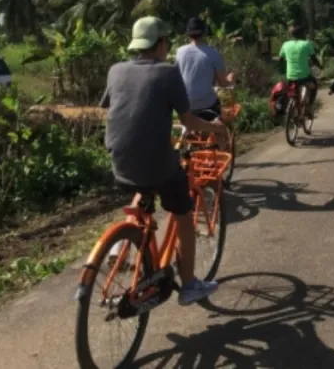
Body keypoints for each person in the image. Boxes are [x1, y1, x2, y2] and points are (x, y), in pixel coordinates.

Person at [100, 16, 227, 306]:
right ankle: (191, 285)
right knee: (183, 212)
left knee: (142, 187)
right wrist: (217, 129)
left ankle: (123, 243)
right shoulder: (168, 73)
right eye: (166, 40)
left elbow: (116, 106)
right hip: (158, 163)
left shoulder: (116, 70)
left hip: (119, 160)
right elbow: (188, 120)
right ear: (160, 43)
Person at [175, 17, 234, 121]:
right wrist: (231, 78)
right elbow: (223, 84)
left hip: (185, 106)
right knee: (221, 116)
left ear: (188, 34)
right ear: (204, 32)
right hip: (207, 105)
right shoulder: (213, 54)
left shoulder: (179, 52)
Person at [278, 23, 321, 115]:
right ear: (301, 34)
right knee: (314, 85)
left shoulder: (285, 45)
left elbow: (280, 60)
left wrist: (282, 69)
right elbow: (314, 59)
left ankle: (295, 107)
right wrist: (320, 67)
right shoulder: (306, 44)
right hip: (304, 76)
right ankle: (309, 107)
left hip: (290, 76)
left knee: (294, 91)